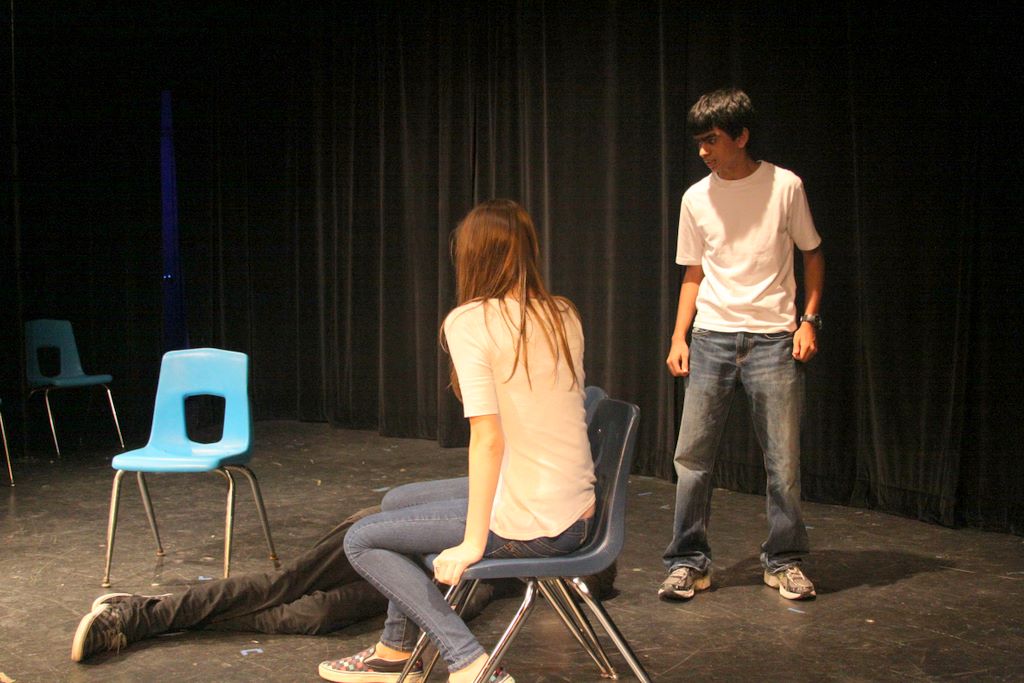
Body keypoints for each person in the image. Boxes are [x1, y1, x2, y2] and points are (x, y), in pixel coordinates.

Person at [318, 199, 595, 683]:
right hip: (572, 506)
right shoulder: (563, 313)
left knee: (360, 540)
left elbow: (487, 439)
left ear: (472, 257)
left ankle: (467, 660)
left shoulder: (470, 321)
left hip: (539, 519)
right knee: (397, 501)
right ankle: (396, 649)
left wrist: (472, 542)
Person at [660, 87, 825, 602]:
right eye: (699, 141)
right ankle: (688, 562)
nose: (703, 150)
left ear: (742, 136)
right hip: (711, 336)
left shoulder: (785, 186)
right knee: (692, 459)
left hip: (773, 339)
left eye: (712, 139)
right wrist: (679, 335)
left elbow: (812, 253)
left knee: (783, 462)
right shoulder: (695, 198)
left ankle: (784, 559)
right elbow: (693, 271)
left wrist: (808, 321)